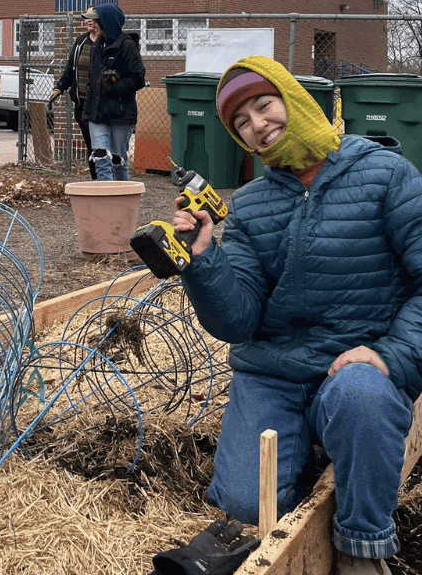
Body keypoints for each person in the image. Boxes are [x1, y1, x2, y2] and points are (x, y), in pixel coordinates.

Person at [173, 55, 422, 575]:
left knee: (363, 398)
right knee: (244, 505)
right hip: (275, 372)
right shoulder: (250, 204)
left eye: (265, 106)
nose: (257, 126)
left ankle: (362, 546)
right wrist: (203, 260)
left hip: (353, 365)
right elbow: (237, 321)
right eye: (241, 123)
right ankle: (307, 445)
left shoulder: (386, 174)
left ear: (298, 102)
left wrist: (392, 355)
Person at [80, 3, 146, 181]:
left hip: (120, 113)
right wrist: (87, 112)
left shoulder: (127, 46)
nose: (92, 24)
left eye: (96, 20)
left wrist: (114, 85)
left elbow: (138, 78)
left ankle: (121, 196)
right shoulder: (97, 45)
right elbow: (91, 83)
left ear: (107, 22)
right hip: (97, 115)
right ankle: (105, 198)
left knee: (117, 159)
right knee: (100, 156)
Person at [50, 7, 104, 180]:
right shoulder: (81, 41)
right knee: (91, 145)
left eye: (92, 18)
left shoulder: (108, 41)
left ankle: (109, 183)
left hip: (102, 105)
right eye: (86, 18)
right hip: (82, 104)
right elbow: (70, 67)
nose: (88, 21)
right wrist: (60, 87)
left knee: (102, 146)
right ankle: (97, 181)